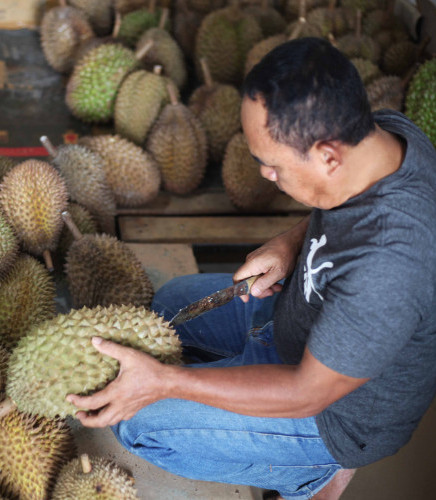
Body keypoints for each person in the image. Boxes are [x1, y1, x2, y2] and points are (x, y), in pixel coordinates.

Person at [66, 37, 436, 499]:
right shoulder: (386, 134)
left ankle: (313, 475)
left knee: (139, 423)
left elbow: (306, 391)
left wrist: (165, 382)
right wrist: (289, 243)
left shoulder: (388, 269)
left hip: (334, 412)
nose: (265, 175)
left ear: (328, 156)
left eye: (273, 166)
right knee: (168, 304)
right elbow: (347, 211)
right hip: (297, 317)